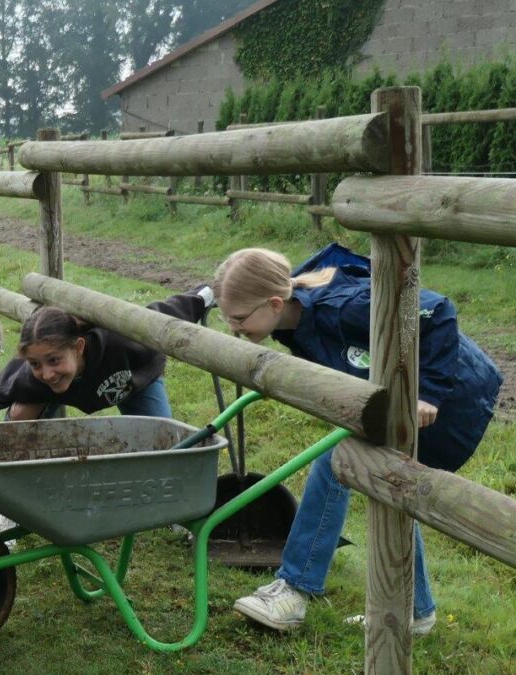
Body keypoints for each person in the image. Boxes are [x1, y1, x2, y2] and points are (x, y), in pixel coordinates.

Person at [213, 245, 503, 636]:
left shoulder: (343, 306)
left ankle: (294, 589)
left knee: (338, 460)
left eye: (238, 319)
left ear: (275, 302)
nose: (233, 328)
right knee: (387, 479)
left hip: (451, 395)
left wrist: (429, 392)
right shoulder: (288, 311)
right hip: (400, 393)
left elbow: (436, 310)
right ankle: (415, 610)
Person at [0, 286, 215, 534]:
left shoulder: (121, 341)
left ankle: (178, 510)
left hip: (131, 381)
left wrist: (203, 295)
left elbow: (162, 315)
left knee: (165, 443)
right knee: (20, 414)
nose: (46, 372)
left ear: (79, 346)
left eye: (54, 360)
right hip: (58, 393)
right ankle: (9, 509)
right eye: (35, 364)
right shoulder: (33, 378)